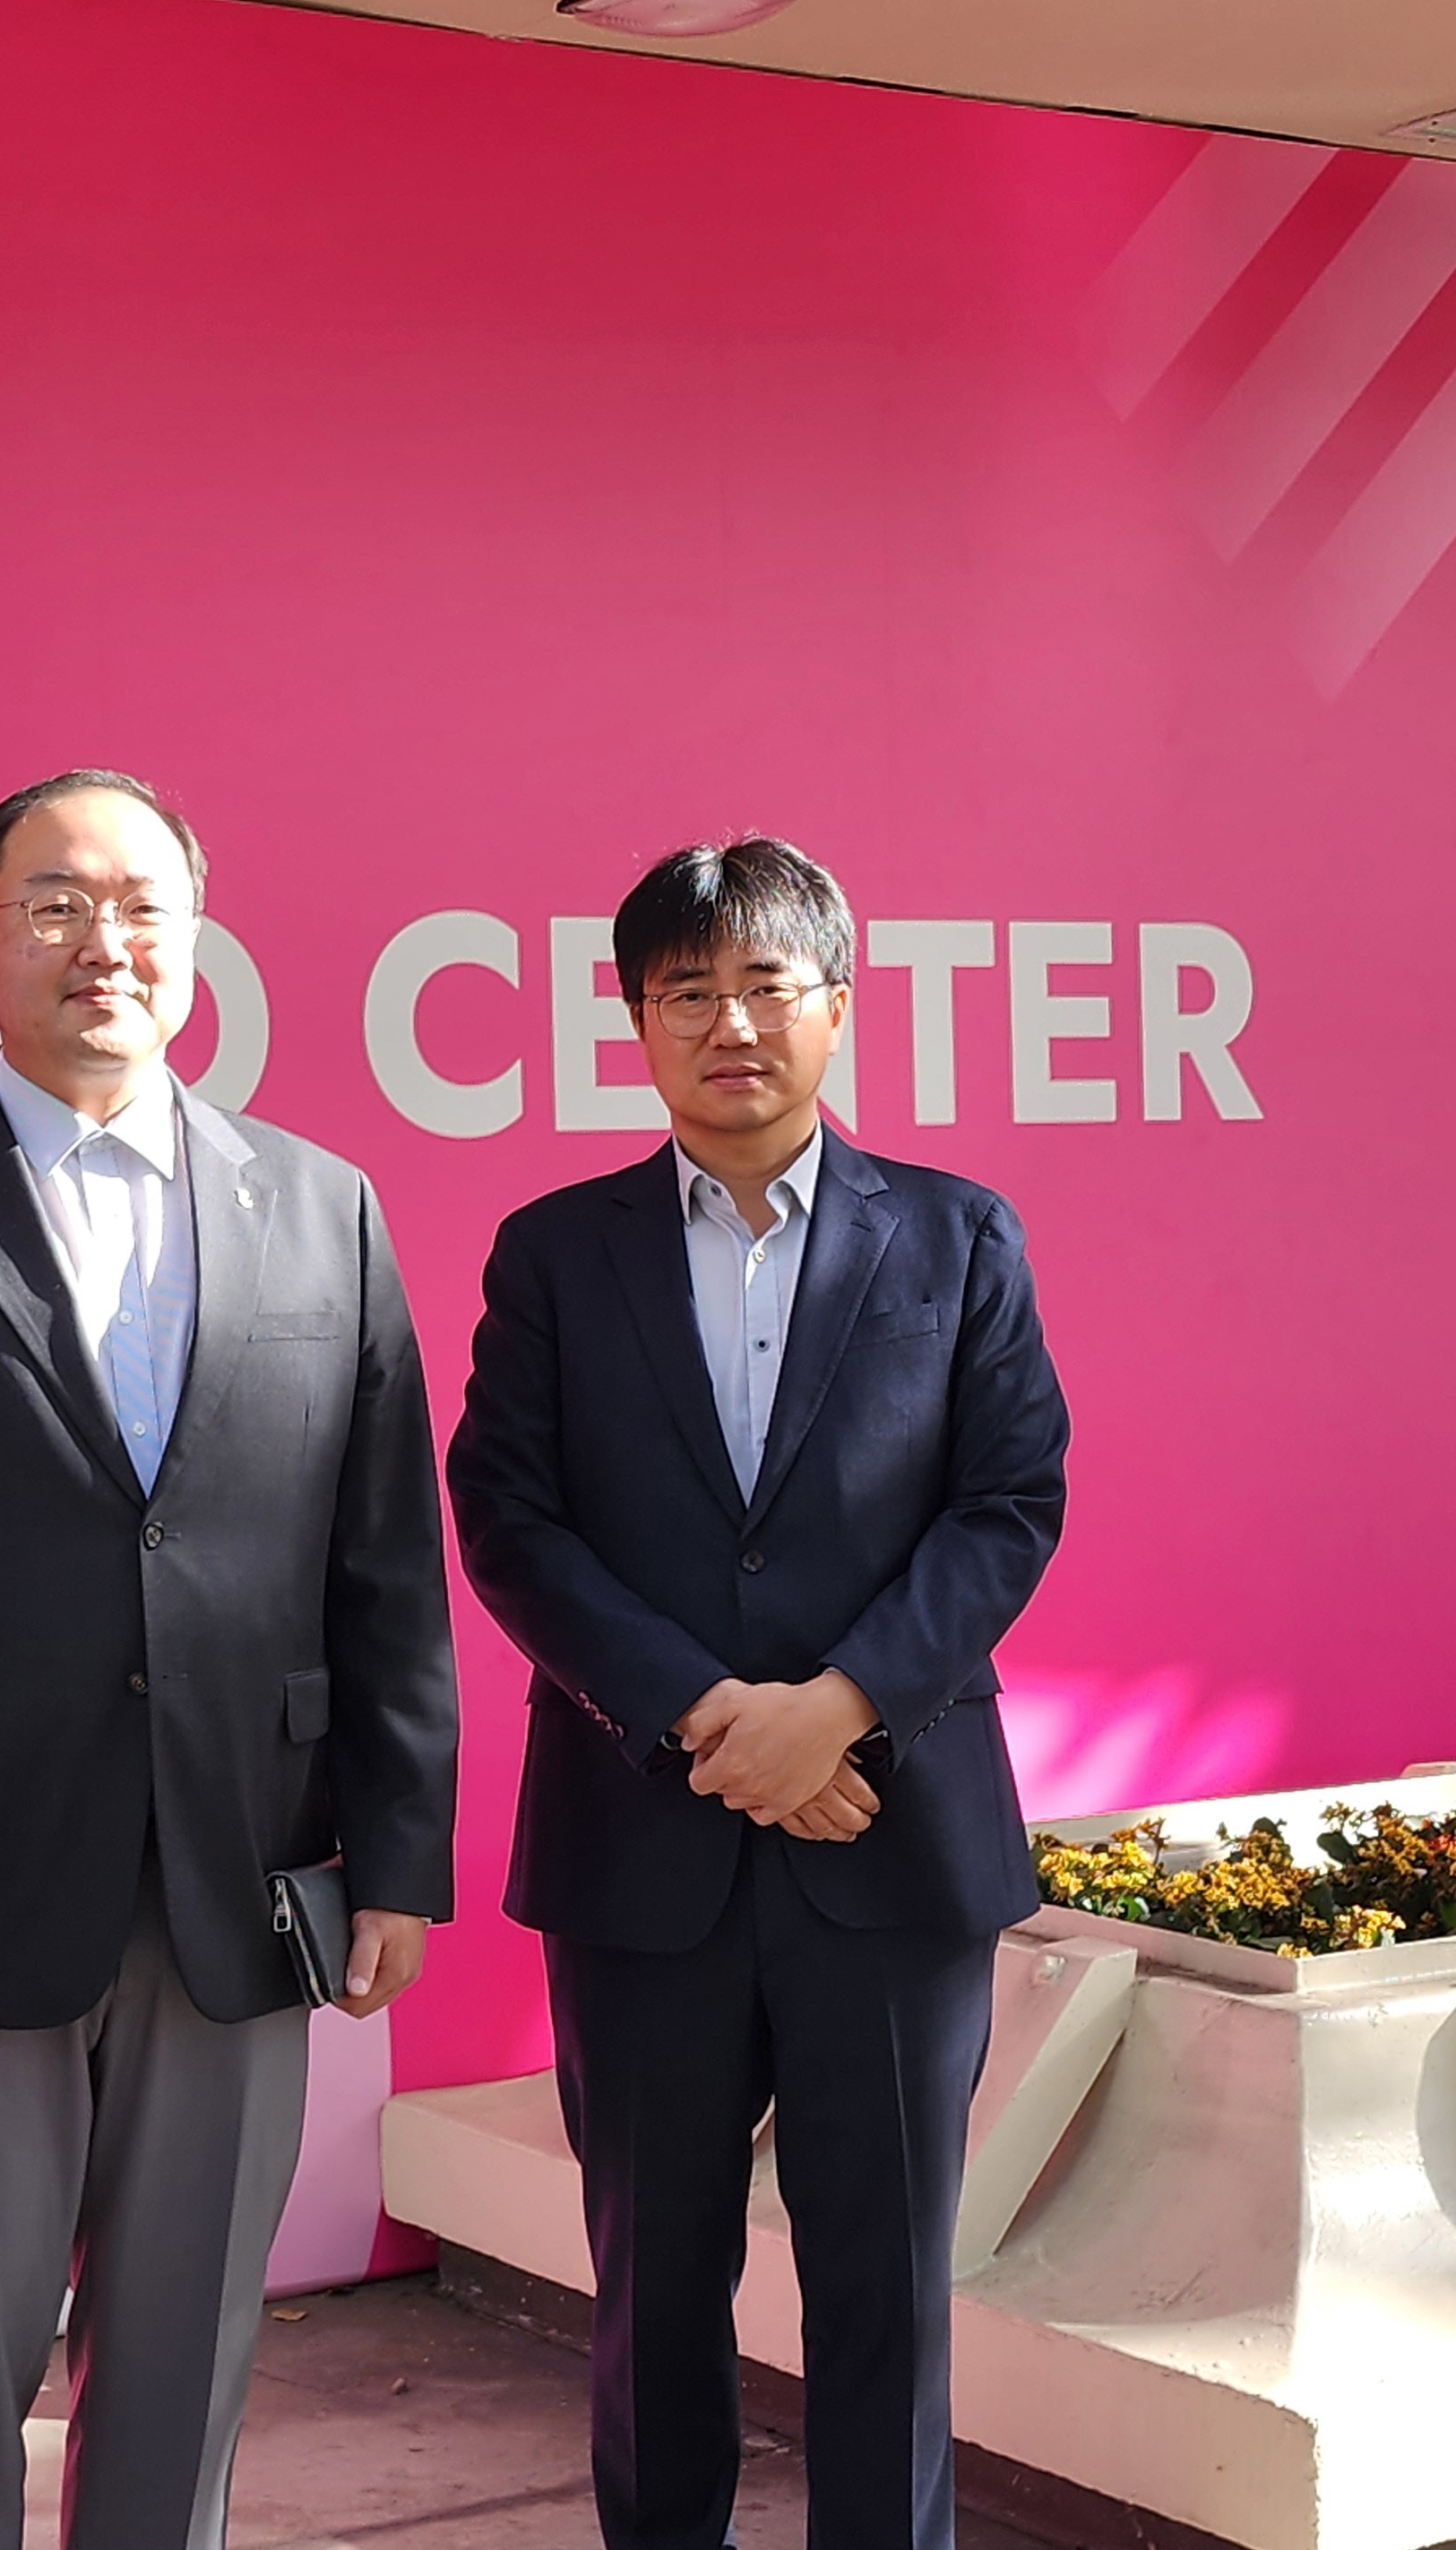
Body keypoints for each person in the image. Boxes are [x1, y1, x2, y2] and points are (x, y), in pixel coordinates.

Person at [0, 770, 459, 2550]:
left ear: (195, 944)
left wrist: (398, 1854)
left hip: (238, 1885)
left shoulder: (323, 1206)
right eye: (52, 904)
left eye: (139, 906)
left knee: (185, 2377)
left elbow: (382, 1565)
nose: (99, 941)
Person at [445, 837, 1069, 2550]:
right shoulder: (555, 1255)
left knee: (889, 2294)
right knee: (653, 2297)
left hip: (893, 1843)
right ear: (637, 1021)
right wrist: (710, 1720)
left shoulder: (955, 1236)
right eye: (688, 993)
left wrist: (841, 1704)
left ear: (838, 1007)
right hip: (642, 1852)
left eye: (766, 986)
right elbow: (509, 1518)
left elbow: (1007, 1504)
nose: (730, 1024)